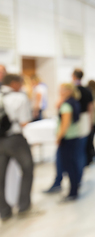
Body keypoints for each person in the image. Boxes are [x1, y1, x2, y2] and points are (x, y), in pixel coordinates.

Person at [0, 74, 34, 221]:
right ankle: (23, 205)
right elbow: (24, 122)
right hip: (14, 139)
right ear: (14, 83)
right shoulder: (19, 98)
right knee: (27, 169)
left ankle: (4, 210)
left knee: (0, 177)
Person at [55, 83, 82, 201]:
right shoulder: (73, 102)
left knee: (69, 166)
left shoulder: (66, 105)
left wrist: (59, 137)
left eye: (62, 90)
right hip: (74, 136)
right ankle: (74, 189)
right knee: (73, 164)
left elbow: (65, 124)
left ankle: (73, 192)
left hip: (68, 138)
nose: (60, 91)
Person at [72, 69, 93, 175]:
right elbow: (90, 107)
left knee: (79, 145)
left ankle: (80, 164)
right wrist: (90, 121)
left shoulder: (73, 90)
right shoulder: (86, 90)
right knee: (83, 142)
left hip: (76, 119)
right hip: (84, 118)